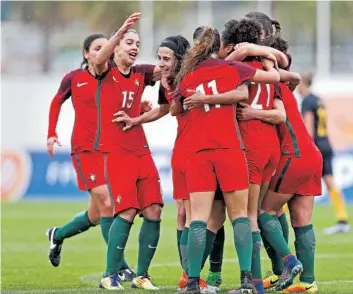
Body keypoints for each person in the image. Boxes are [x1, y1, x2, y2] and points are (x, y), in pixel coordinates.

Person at [175, 25, 281, 294]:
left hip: (198, 153)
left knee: (197, 218)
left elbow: (176, 107)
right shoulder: (232, 69)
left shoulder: (186, 77)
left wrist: (197, 98)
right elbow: (271, 81)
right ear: (220, 47)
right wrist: (267, 55)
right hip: (230, 151)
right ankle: (246, 281)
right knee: (240, 217)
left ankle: (192, 283)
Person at [46, 33, 135, 281]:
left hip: (110, 150)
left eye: (107, 46)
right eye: (98, 47)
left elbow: (126, 102)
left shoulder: (114, 76)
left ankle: (58, 234)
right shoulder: (74, 78)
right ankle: (120, 266)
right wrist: (51, 133)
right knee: (108, 202)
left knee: (96, 215)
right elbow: (56, 101)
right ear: (86, 53)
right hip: (85, 150)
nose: (103, 51)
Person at [216, 17, 288, 294]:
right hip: (271, 146)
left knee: (248, 216)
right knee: (260, 211)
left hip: (251, 144)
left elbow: (228, 63)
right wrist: (268, 54)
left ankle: (256, 281)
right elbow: (281, 68)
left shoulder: (238, 67)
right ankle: (282, 263)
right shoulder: (270, 65)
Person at [92, 13, 163, 290]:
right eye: (129, 42)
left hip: (141, 151)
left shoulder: (140, 73)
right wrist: (121, 28)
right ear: (116, 46)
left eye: (137, 43)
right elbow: (98, 60)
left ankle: (142, 276)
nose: (135, 47)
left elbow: (168, 69)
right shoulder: (104, 71)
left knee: (154, 209)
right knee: (127, 211)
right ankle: (109, 276)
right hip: (116, 153)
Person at [257, 34, 321, 293]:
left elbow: (277, 115)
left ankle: (288, 263)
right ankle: (308, 283)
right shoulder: (286, 85)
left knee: (261, 212)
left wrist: (250, 113)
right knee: (302, 220)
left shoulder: (270, 86)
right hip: (312, 155)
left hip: (292, 156)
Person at [299, 71, 351, 235]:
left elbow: (308, 126)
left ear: (303, 84)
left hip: (315, 146)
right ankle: (342, 219)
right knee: (330, 182)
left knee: (295, 182)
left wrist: (306, 147)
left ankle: (273, 221)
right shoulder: (319, 100)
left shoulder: (307, 101)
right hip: (326, 144)